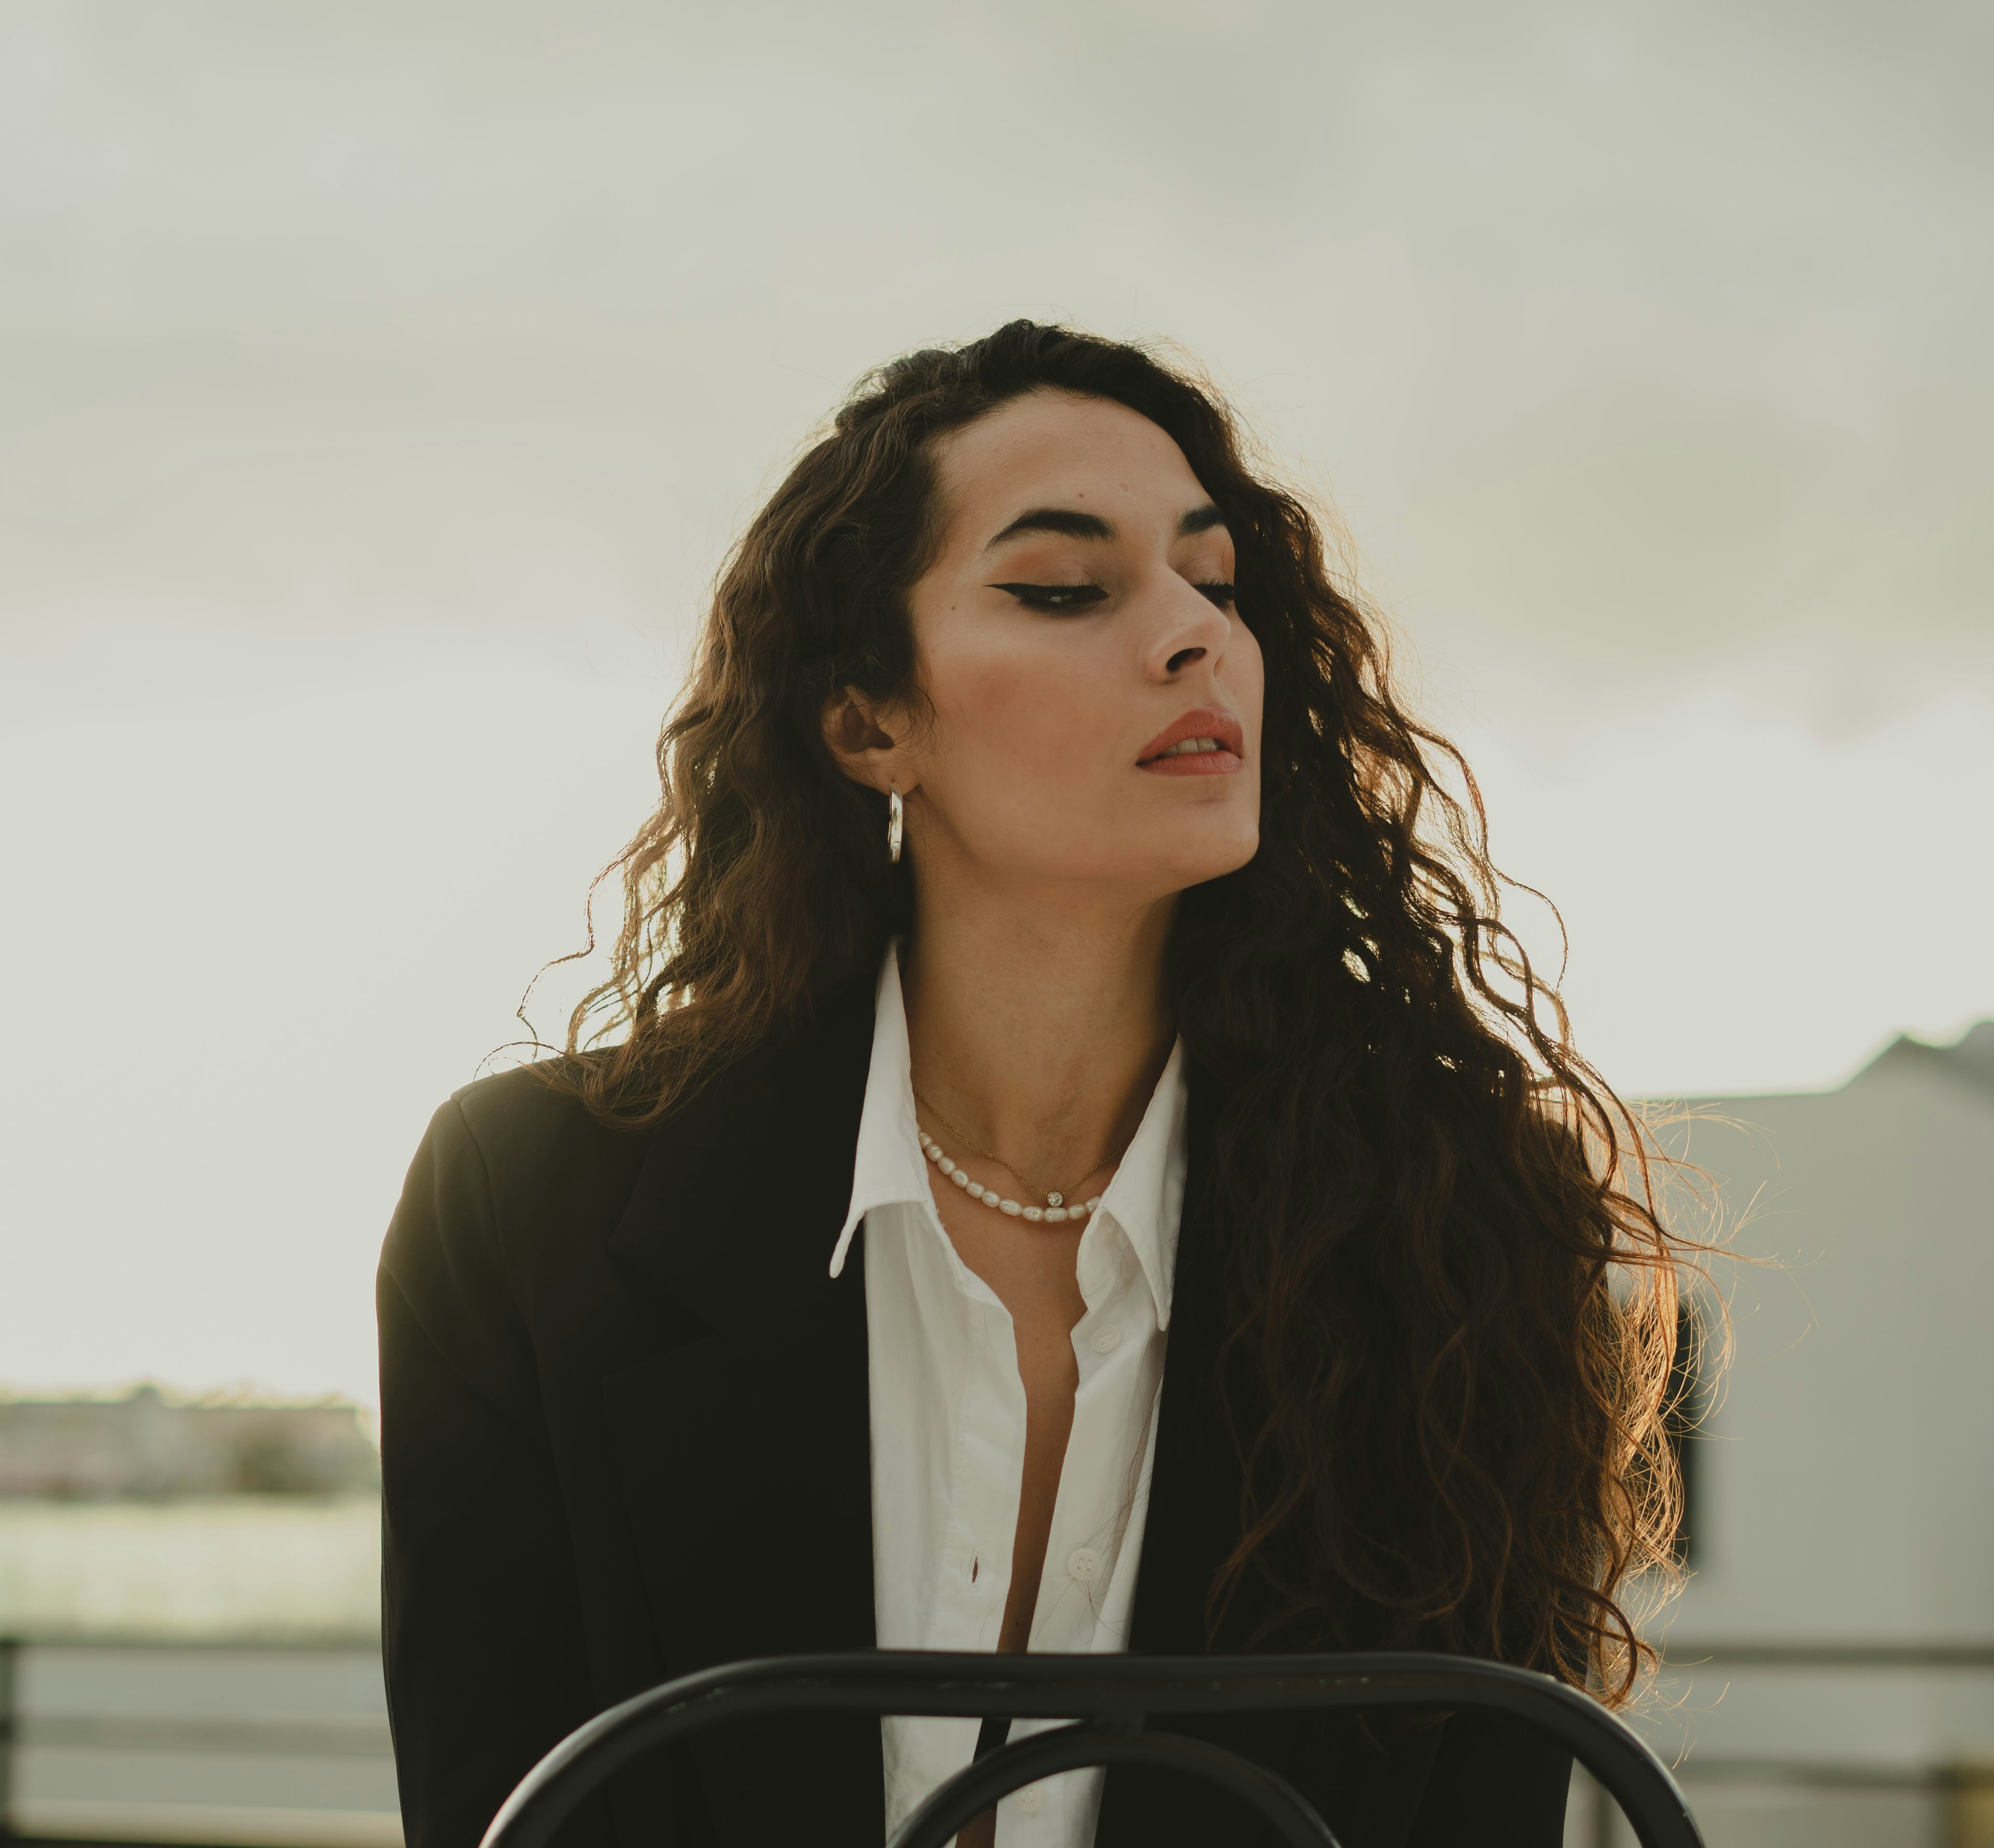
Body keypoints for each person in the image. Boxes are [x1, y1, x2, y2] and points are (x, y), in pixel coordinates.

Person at [379, 321, 1688, 1848]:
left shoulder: (1458, 1230)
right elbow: (498, 1806)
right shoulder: (528, 1204)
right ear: (870, 719)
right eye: (1066, 588)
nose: (1194, 634)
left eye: (1217, 583)